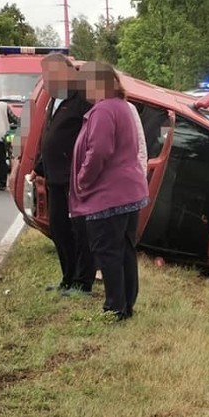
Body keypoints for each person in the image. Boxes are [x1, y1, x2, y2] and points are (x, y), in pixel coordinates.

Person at [70, 62, 149, 320]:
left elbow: (99, 150)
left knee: (107, 251)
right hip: (129, 191)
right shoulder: (122, 107)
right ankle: (126, 304)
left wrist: (83, 178)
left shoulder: (103, 110)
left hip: (108, 194)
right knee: (124, 249)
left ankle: (114, 308)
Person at [29, 53, 96, 294]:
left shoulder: (84, 98)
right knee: (58, 228)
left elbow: (93, 138)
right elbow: (48, 136)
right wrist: (38, 167)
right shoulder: (54, 99)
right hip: (54, 176)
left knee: (80, 230)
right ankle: (67, 278)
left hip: (75, 177)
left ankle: (82, 282)